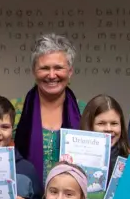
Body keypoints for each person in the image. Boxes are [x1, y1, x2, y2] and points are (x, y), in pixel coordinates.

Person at [15, 34, 83, 190]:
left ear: (70, 71)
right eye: (44, 68)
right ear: (34, 71)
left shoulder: (85, 112)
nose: (52, 75)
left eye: (58, 68)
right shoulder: (14, 112)